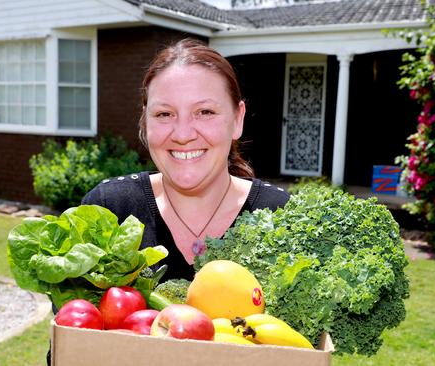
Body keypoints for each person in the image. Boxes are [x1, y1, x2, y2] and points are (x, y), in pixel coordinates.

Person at [81, 38, 290, 281]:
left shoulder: (282, 217)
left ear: (237, 119)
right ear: (145, 122)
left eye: (205, 112)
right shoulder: (109, 210)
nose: (182, 135)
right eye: (164, 114)